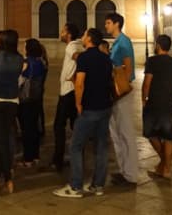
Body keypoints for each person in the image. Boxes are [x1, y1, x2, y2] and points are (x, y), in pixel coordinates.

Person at [53, 28, 113, 198]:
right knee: (101, 147)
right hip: (105, 106)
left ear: (89, 39)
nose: (82, 37)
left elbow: (79, 83)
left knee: (76, 146)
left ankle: (75, 186)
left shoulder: (85, 58)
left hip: (90, 107)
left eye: (85, 35)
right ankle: (98, 185)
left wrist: (78, 103)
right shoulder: (106, 58)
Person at [0, 29, 24, 194]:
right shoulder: (19, 59)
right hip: (12, 101)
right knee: (4, 139)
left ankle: (3, 177)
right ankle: (2, 177)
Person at [142, 34, 172, 179]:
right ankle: (166, 169)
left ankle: (164, 164)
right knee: (168, 137)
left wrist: (144, 99)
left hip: (154, 103)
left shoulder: (152, 61)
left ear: (158, 45)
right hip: (169, 104)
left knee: (151, 134)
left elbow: (147, 82)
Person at [45, 22, 83, 172]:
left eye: (63, 31)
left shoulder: (71, 46)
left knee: (58, 126)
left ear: (69, 34)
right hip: (75, 91)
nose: (60, 34)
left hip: (67, 92)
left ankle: (58, 160)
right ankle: (77, 158)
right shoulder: (79, 44)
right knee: (75, 126)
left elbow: (79, 58)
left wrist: (74, 76)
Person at [106, 12, 138, 186]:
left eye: (108, 23)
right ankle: (124, 170)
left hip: (122, 91)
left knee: (125, 132)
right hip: (116, 91)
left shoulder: (123, 42)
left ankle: (131, 174)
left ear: (117, 24)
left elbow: (128, 66)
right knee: (117, 132)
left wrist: (123, 87)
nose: (106, 26)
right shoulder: (117, 42)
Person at [18, 38, 46, 167]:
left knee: (26, 129)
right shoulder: (41, 62)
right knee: (34, 127)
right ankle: (36, 156)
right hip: (36, 98)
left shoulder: (27, 63)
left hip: (26, 99)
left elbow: (21, 81)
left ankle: (28, 158)